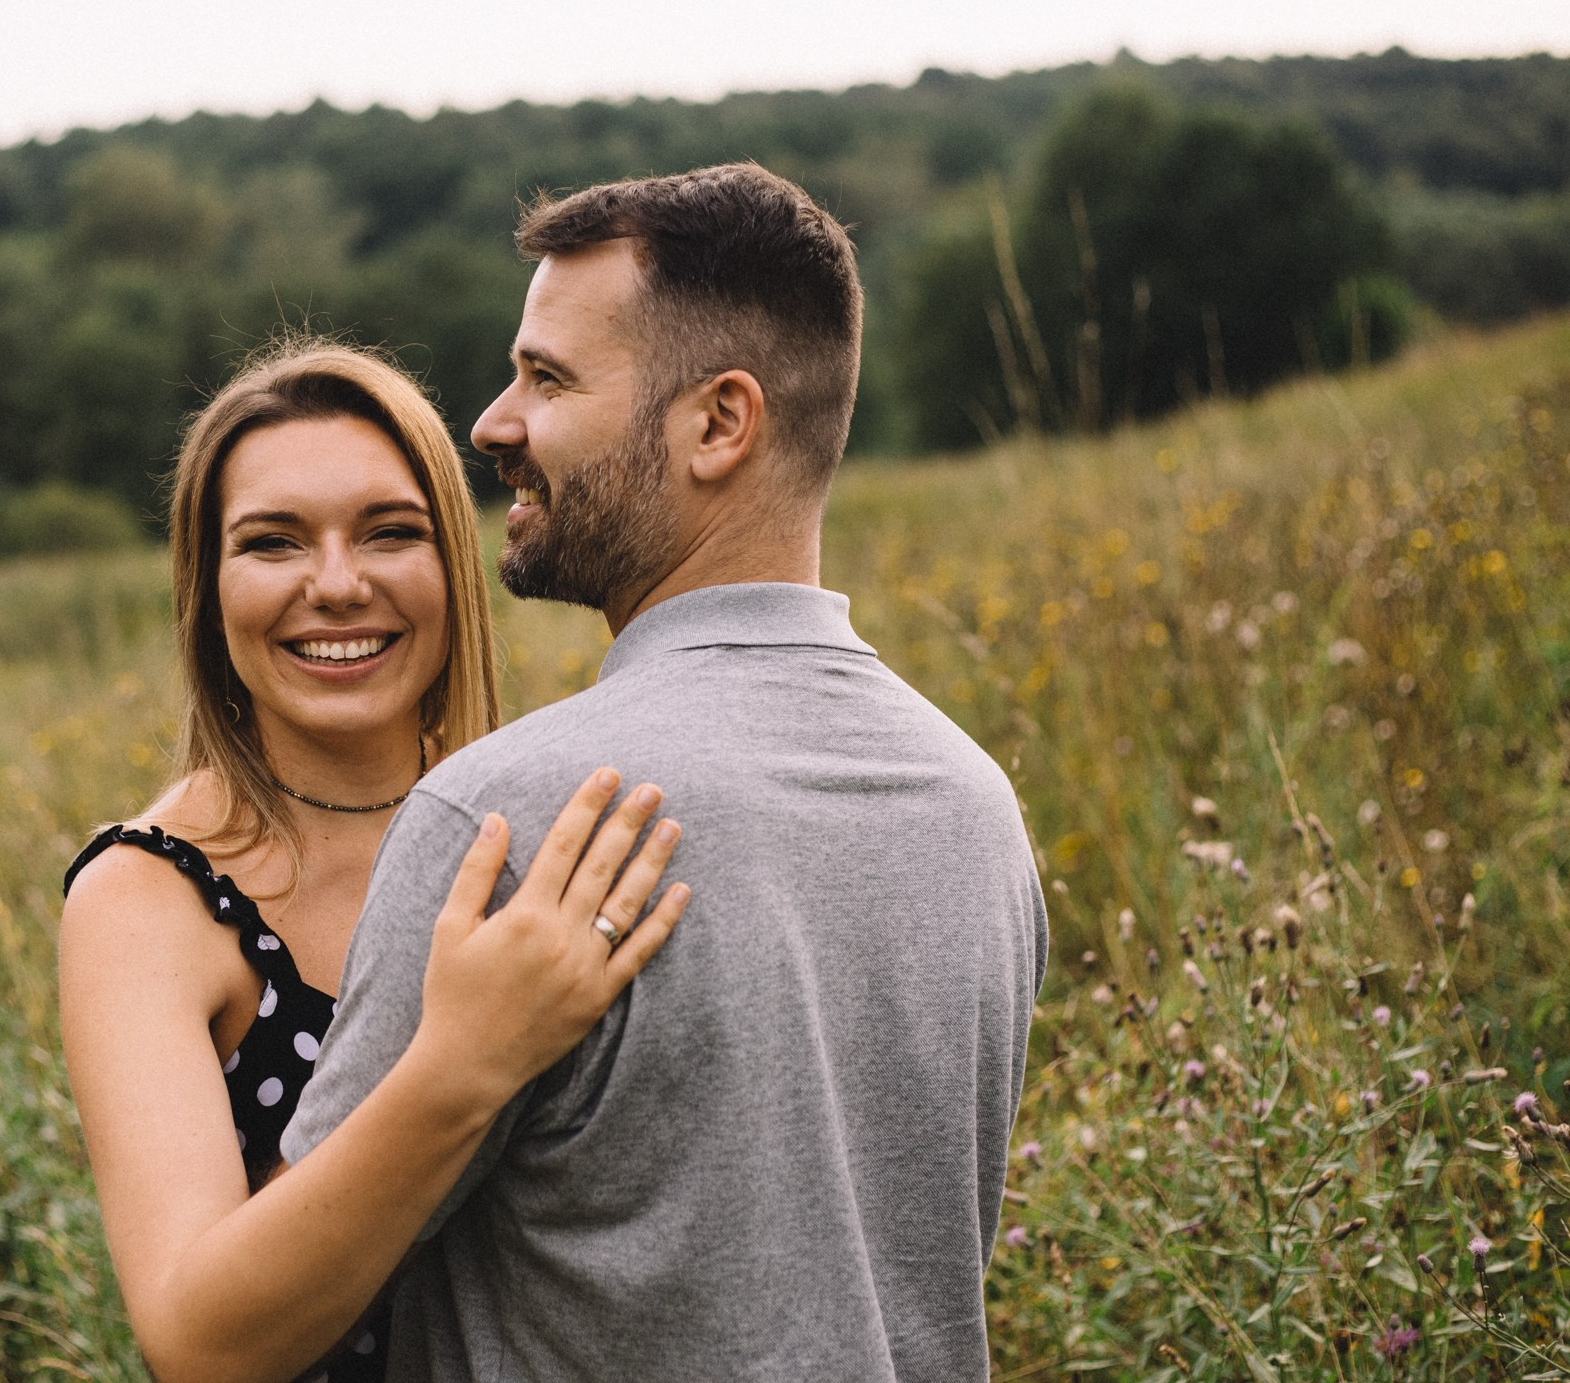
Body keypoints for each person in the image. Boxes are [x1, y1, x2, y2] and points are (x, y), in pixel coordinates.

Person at [282, 164, 1050, 1382]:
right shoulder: (973, 807)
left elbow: (284, 1313)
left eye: (549, 378)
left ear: (718, 424)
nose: (492, 422)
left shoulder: (512, 818)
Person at [57, 339, 690, 1383]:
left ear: (452, 563)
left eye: (391, 532)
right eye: (273, 543)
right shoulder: (147, 898)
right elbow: (198, 1342)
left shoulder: (547, 823)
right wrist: (464, 1061)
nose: (339, 585)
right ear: (207, 589)